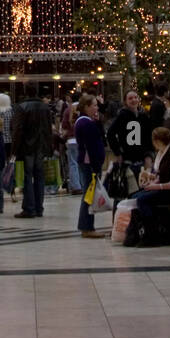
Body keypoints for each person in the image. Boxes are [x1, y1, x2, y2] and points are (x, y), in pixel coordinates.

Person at [124, 127, 170, 248]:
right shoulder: (163, 153)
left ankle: (151, 235)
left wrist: (156, 186)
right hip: (169, 189)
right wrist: (150, 181)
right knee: (134, 196)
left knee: (143, 200)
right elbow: (163, 175)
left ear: (157, 141)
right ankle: (135, 233)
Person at [11, 81, 53, 219]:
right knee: (39, 176)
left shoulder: (21, 107)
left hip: (27, 146)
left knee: (27, 176)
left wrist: (14, 149)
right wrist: (49, 147)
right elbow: (48, 129)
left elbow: (18, 130)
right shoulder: (45, 107)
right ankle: (39, 207)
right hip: (41, 146)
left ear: (25, 91)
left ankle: (29, 208)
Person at [75, 93, 108, 238]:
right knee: (89, 195)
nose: (97, 108)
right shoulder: (85, 123)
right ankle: (86, 227)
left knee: (89, 195)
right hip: (89, 163)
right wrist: (96, 164)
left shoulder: (87, 121)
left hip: (89, 162)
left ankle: (87, 226)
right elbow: (92, 145)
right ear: (86, 107)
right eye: (94, 105)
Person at [106, 89, 152, 173]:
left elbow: (148, 137)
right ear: (125, 101)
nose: (133, 100)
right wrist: (118, 152)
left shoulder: (143, 116)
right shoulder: (122, 116)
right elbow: (110, 134)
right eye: (130, 98)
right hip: (127, 159)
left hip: (142, 158)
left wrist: (148, 155)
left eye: (135, 97)